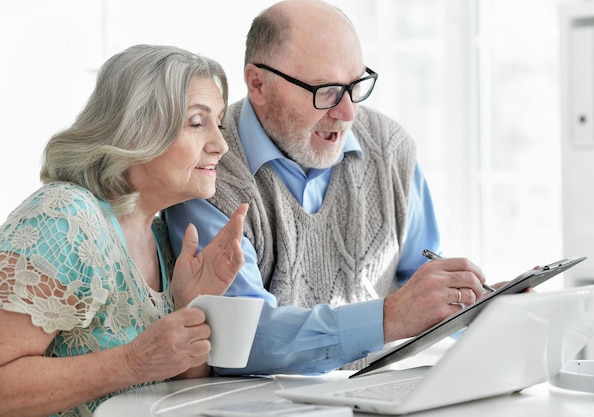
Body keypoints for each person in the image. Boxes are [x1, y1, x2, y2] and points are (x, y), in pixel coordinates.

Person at [165, 0, 487, 376]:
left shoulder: (390, 148)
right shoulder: (208, 168)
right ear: (258, 84)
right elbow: (240, 338)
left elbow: (419, 274)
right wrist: (390, 317)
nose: (348, 112)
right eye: (328, 90)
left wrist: (476, 305)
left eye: (356, 85)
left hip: (380, 390)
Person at [0, 44, 249, 417]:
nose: (221, 145)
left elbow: (177, 399)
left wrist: (190, 309)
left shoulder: (166, 237)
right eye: (197, 124)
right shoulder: (65, 217)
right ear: (136, 129)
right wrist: (132, 361)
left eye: (219, 125)